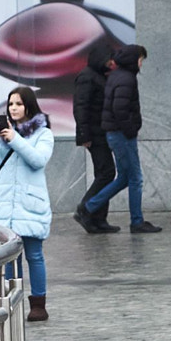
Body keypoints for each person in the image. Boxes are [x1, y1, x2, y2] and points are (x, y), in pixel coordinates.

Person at [0, 85, 55, 323]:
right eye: (11, 104)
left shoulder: (43, 134)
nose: (14, 108)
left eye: (19, 104)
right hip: (4, 205)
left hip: (29, 204)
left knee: (34, 255)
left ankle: (39, 305)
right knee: (11, 256)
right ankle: (11, 300)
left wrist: (15, 138)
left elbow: (37, 160)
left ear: (29, 106)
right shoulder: (4, 133)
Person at [77, 45, 158, 235]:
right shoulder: (126, 78)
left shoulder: (116, 76)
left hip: (115, 133)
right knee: (135, 179)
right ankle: (136, 221)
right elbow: (119, 108)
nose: (141, 63)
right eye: (140, 59)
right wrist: (131, 130)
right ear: (133, 59)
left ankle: (88, 207)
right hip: (122, 134)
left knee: (123, 178)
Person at [72, 49, 118, 232]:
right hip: (94, 133)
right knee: (107, 173)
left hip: (101, 132)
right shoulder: (87, 77)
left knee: (104, 174)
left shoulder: (99, 76)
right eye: (109, 60)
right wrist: (84, 135)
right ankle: (85, 209)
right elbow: (80, 107)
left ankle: (98, 218)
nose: (111, 63)